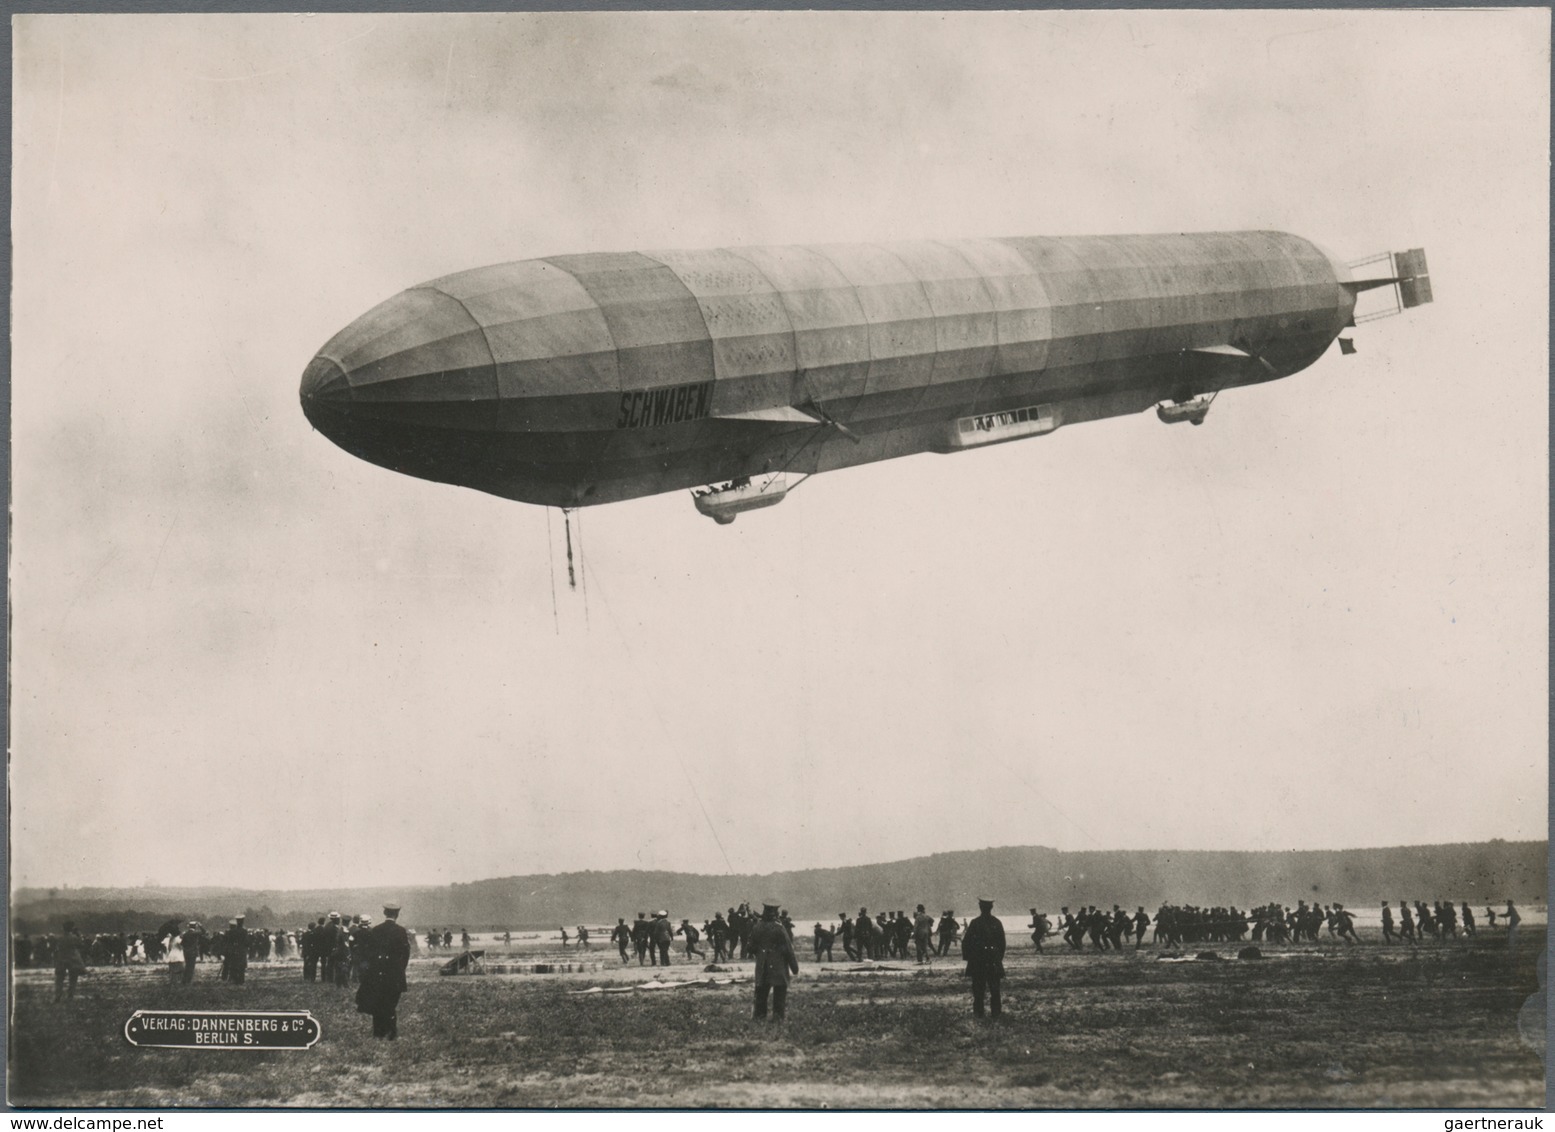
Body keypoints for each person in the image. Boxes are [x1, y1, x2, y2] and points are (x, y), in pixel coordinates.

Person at [356, 901, 411, 1040]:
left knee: (378, 1002)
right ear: (397, 914)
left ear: (384, 913)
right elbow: (405, 954)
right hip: (394, 974)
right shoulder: (401, 931)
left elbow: (369, 953)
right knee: (391, 1003)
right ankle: (391, 1032)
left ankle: (378, 1032)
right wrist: (400, 969)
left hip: (377, 973)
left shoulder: (376, 930)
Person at [749, 900, 799, 1021]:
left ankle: (759, 1018)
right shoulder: (779, 928)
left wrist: (761, 953)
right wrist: (794, 967)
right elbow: (788, 948)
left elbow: (750, 948)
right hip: (778, 966)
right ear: (776, 913)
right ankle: (778, 1019)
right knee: (779, 995)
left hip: (762, 966)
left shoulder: (757, 927)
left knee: (761, 994)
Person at [961, 896, 1006, 1019]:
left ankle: (979, 1014)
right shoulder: (997, 922)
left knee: (979, 991)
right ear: (991, 907)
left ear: (980, 907)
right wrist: (998, 959)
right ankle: (996, 1014)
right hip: (993, 961)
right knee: (995, 990)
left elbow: (966, 942)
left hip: (978, 961)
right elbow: (1002, 944)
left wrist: (970, 959)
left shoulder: (975, 923)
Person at [54, 922, 88, 1001]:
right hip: (73, 958)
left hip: (62, 958)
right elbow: (81, 945)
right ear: (71, 928)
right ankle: (70, 995)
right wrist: (79, 935)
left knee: (59, 978)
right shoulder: (74, 937)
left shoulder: (60, 938)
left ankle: (58, 995)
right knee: (73, 977)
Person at [223, 917, 249, 985]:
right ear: (242, 922)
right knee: (242, 966)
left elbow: (229, 941)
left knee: (234, 964)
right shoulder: (244, 931)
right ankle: (241, 980)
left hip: (234, 950)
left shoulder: (232, 931)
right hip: (242, 950)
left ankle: (234, 979)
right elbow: (247, 942)